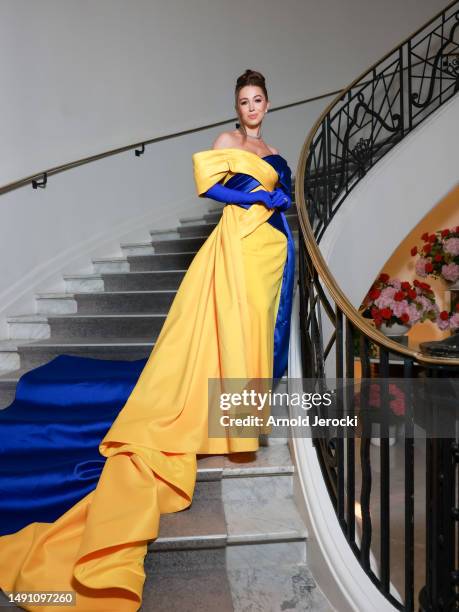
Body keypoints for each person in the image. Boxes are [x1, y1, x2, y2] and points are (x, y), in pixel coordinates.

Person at [0, 69, 295, 611]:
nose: (251, 108)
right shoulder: (228, 141)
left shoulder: (272, 145)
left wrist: (280, 206)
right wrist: (260, 199)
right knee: (231, 325)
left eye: (258, 100)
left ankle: (239, 422)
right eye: (243, 101)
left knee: (254, 330)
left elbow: (286, 188)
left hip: (273, 250)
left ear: (268, 104)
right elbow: (209, 184)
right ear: (236, 107)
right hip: (240, 241)